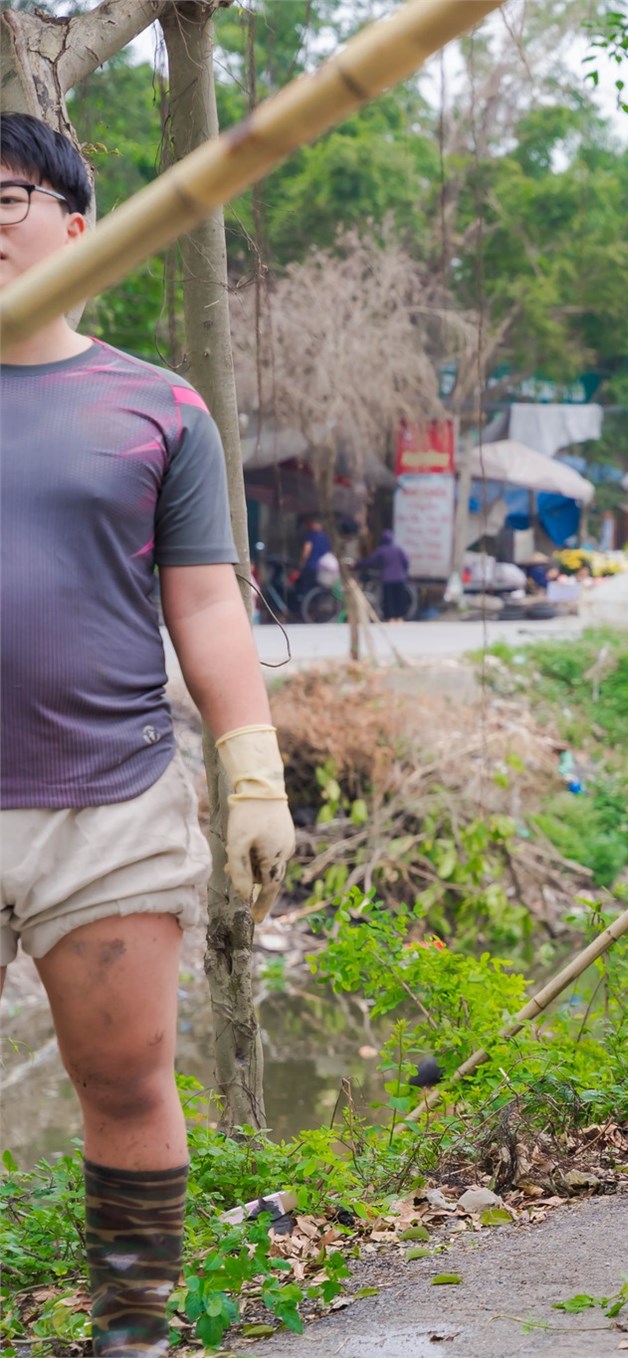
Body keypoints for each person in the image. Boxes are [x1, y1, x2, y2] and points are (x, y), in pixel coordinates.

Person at [0, 112, 298, 1358]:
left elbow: (207, 605)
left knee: (124, 1082)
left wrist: (252, 774)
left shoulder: (157, 406)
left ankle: (133, 1333)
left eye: (4, 199)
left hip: (108, 802)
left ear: (79, 228)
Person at [360, 529, 412, 621]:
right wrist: (404, 572)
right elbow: (406, 562)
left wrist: (357, 564)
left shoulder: (381, 550)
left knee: (389, 600)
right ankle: (400, 617)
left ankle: (390, 617)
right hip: (400, 579)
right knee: (399, 599)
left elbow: (371, 561)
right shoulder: (398, 549)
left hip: (388, 579)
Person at [293, 514, 333, 618]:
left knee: (307, 590)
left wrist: (300, 564)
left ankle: (307, 612)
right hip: (323, 569)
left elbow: (306, 550)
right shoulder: (325, 538)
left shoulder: (311, 536)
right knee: (318, 590)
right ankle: (318, 612)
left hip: (311, 567)